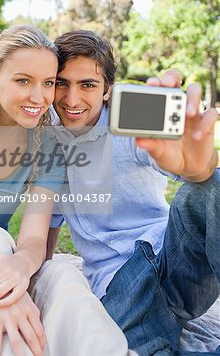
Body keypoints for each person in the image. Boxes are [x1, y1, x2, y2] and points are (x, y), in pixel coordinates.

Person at [0, 25, 135, 356]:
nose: (40, 97)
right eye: (24, 80)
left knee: (59, 274)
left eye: (48, 83)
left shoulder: (46, 143)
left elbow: (34, 241)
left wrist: (19, 268)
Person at [47, 30, 220, 356]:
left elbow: (198, 172)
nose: (72, 100)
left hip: (172, 258)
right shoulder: (46, 139)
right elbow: (48, 224)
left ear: (108, 89)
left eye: (87, 85)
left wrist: (200, 167)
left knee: (214, 186)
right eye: (61, 83)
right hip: (120, 286)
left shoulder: (130, 116)